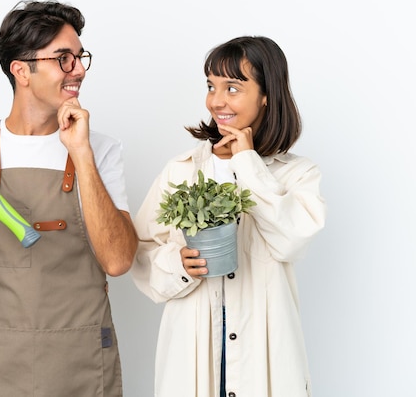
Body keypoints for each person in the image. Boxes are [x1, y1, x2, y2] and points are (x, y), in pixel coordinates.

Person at [0, 0, 137, 396]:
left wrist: (81, 153)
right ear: (21, 70)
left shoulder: (101, 149)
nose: (80, 69)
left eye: (80, 56)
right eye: (64, 59)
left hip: (80, 359)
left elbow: (119, 260)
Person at [131, 36, 326, 397]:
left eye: (233, 88)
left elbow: (292, 241)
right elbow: (140, 255)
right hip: (191, 359)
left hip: (264, 361)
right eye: (211, 86)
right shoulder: (180, 170)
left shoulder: (297, 174)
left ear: (267, 94)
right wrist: (180, 265)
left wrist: (246, 162)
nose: (216, 100)